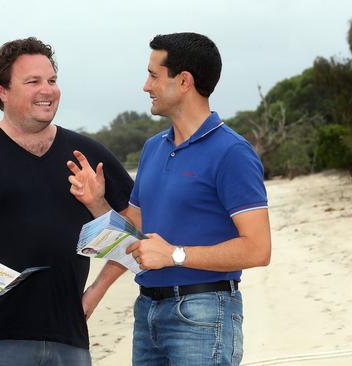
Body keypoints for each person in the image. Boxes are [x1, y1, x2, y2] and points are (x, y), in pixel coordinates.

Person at [67, 33, 272, 365]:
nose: (145, 86)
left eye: (153, 75)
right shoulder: (153, 148)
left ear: (184, 81)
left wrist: (175, 255)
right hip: (147, 310)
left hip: (204, 314)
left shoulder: (232, 152)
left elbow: (259, 249)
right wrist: (96, 203)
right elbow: (135, 235)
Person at [0, 37, 134, 365]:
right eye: (33, 81)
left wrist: (96, 292)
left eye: (52, 81)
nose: (47, 90)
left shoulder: (88, 155)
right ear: (3, 91)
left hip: (69, 341)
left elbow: (136, 234)